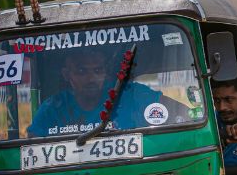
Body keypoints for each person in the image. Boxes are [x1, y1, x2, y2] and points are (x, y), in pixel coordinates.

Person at [28, 48, 166, 138]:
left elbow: (178, 113)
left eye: (98, 71)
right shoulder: (52, 109)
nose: (91, 79)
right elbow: (31, 147)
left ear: (105, 73)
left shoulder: (129, 93)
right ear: (66, 75)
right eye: (81, 71)